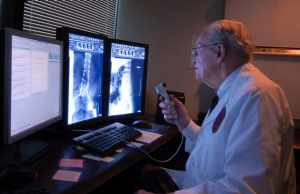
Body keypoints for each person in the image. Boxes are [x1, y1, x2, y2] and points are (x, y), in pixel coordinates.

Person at [134, 20, 296, 194]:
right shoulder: (231, 91)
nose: (193, 59)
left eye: (196, 51)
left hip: (207, 188)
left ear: (219, 52)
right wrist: (185, 123)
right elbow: (215, 150)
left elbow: (245, 189)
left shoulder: (257, 96)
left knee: (126, 180)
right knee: (136, 173)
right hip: (196, 183)